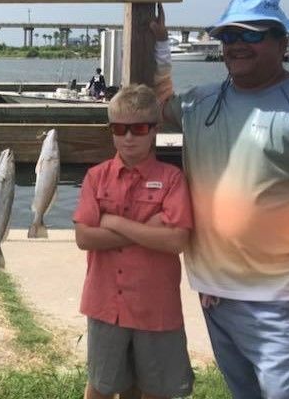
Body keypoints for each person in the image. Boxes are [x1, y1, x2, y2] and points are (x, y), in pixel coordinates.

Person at [153, 0, 289, 398]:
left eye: (252, 35)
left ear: (281, 42)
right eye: (227, 36)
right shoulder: (202, 100)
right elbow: (161, 103)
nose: (236, 44)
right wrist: (161, 45)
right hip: (215, 293)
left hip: (284, 299)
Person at [73, 84, 195, 399]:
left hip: (156, 308)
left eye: (139, 128)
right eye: (120, 129)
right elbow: (84, 236)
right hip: (104, 305)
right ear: (112, 130)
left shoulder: (173, 179)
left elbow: (176, 240)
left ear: (155, 129)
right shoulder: (96, 177)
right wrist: (148, 227)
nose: (129, 137)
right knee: (100, 385)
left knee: (155, 389)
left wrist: (112, 222)